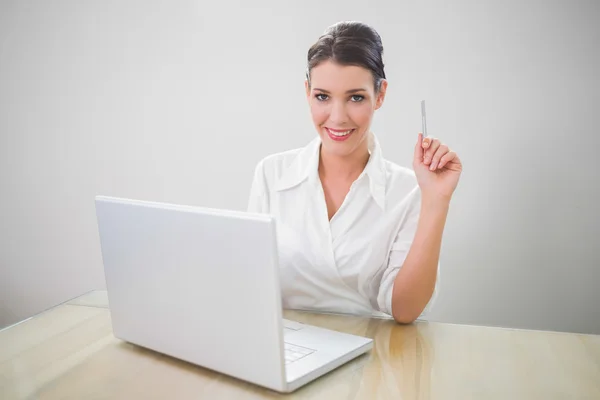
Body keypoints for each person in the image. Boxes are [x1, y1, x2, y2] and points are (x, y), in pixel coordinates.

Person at [247, 21, 462, 323]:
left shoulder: (408, 191)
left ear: (380, 94)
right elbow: (253, 287)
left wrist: (436, 200)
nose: (337, 117)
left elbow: (405, 310)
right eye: (323, 96)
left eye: (356, 97)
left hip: (372, 354)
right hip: (288, 353)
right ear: (307, 91)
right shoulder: (272, 174)